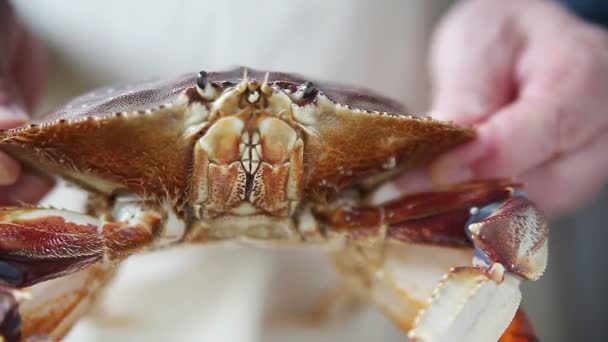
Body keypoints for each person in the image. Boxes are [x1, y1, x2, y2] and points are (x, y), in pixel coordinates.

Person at [2, 0, 607, 341]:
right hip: (94, 281)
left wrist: (569, 12)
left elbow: (510, 221)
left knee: (502, 283)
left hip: (390, 268)